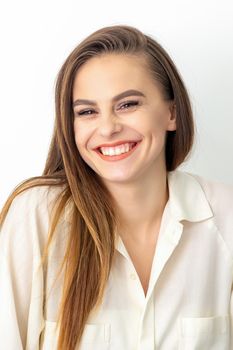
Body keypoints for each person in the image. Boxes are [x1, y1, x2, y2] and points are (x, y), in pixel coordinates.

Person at [0, 24, 232, 350]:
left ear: (171, 113)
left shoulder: (226, 217)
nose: (108, 127)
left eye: (128, 104)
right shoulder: (36, 218)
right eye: (87, 111)